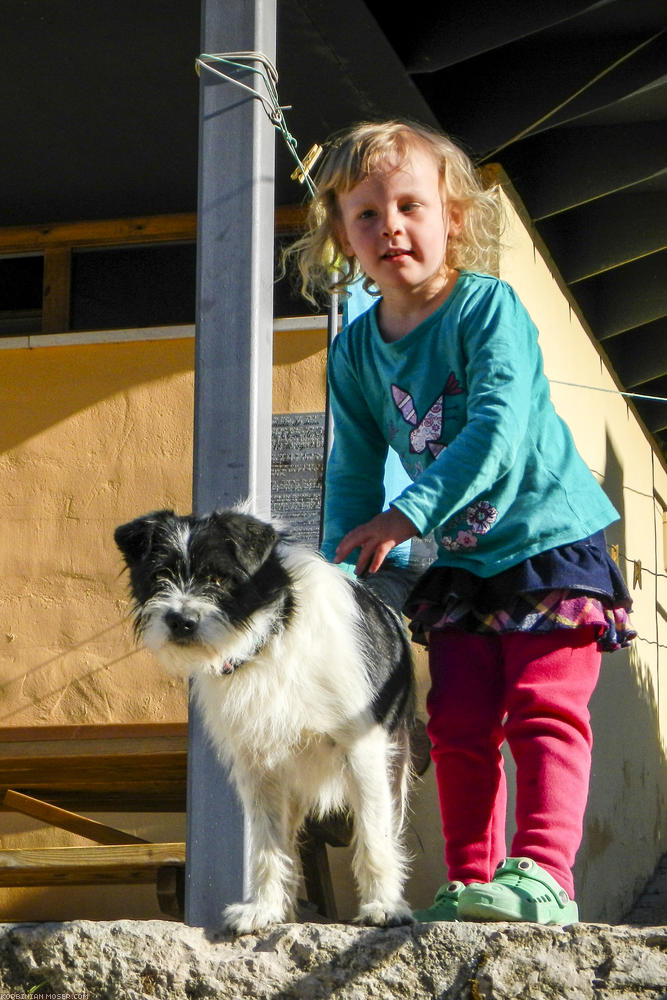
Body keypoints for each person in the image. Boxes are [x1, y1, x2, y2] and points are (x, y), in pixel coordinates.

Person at [289, 120, 635, 925]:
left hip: (549, 540)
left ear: (453, 217)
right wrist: (342, 577)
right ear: (340, 232)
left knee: (543, 705)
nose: (390, 228)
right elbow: (351, 469)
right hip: (466, 558)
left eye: (410, 205)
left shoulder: (486, 308)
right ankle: (471, 882)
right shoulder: (354, 352)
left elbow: (496, 427)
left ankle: (543, 875)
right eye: (365, 214)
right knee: (455, 721)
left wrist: (404, 516)